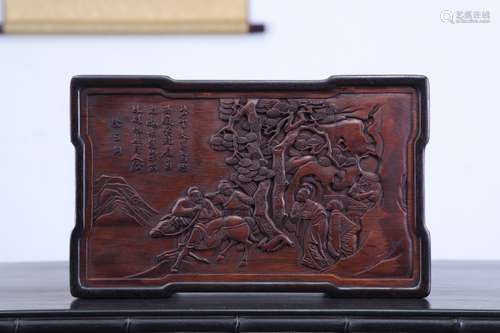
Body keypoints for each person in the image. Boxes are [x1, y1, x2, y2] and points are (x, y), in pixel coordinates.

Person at [170, 186, 221, 272]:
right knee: (188, 245)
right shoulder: (183, 202)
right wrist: (192, 209)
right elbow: (175, 212)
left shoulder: (205, 202)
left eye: (199, 195)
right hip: (191, 224)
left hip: (206, 224)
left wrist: (207, 214)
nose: (199, 197)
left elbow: (215, 213)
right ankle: (176, 265)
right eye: (195, 196)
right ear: (190, 196)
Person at [289, 184, 329, 270]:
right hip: (301, 229)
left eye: (300, 195)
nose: (298, 196)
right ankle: (308, 260)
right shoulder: (295, 205)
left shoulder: (314, 205)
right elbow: (292, 218)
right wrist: (299, 215)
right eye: (297, 194)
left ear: (306, 196)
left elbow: (322, 214)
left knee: (310, 245)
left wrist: (312, 216)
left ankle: (321, 263)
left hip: (312, 229)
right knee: (304, 245)